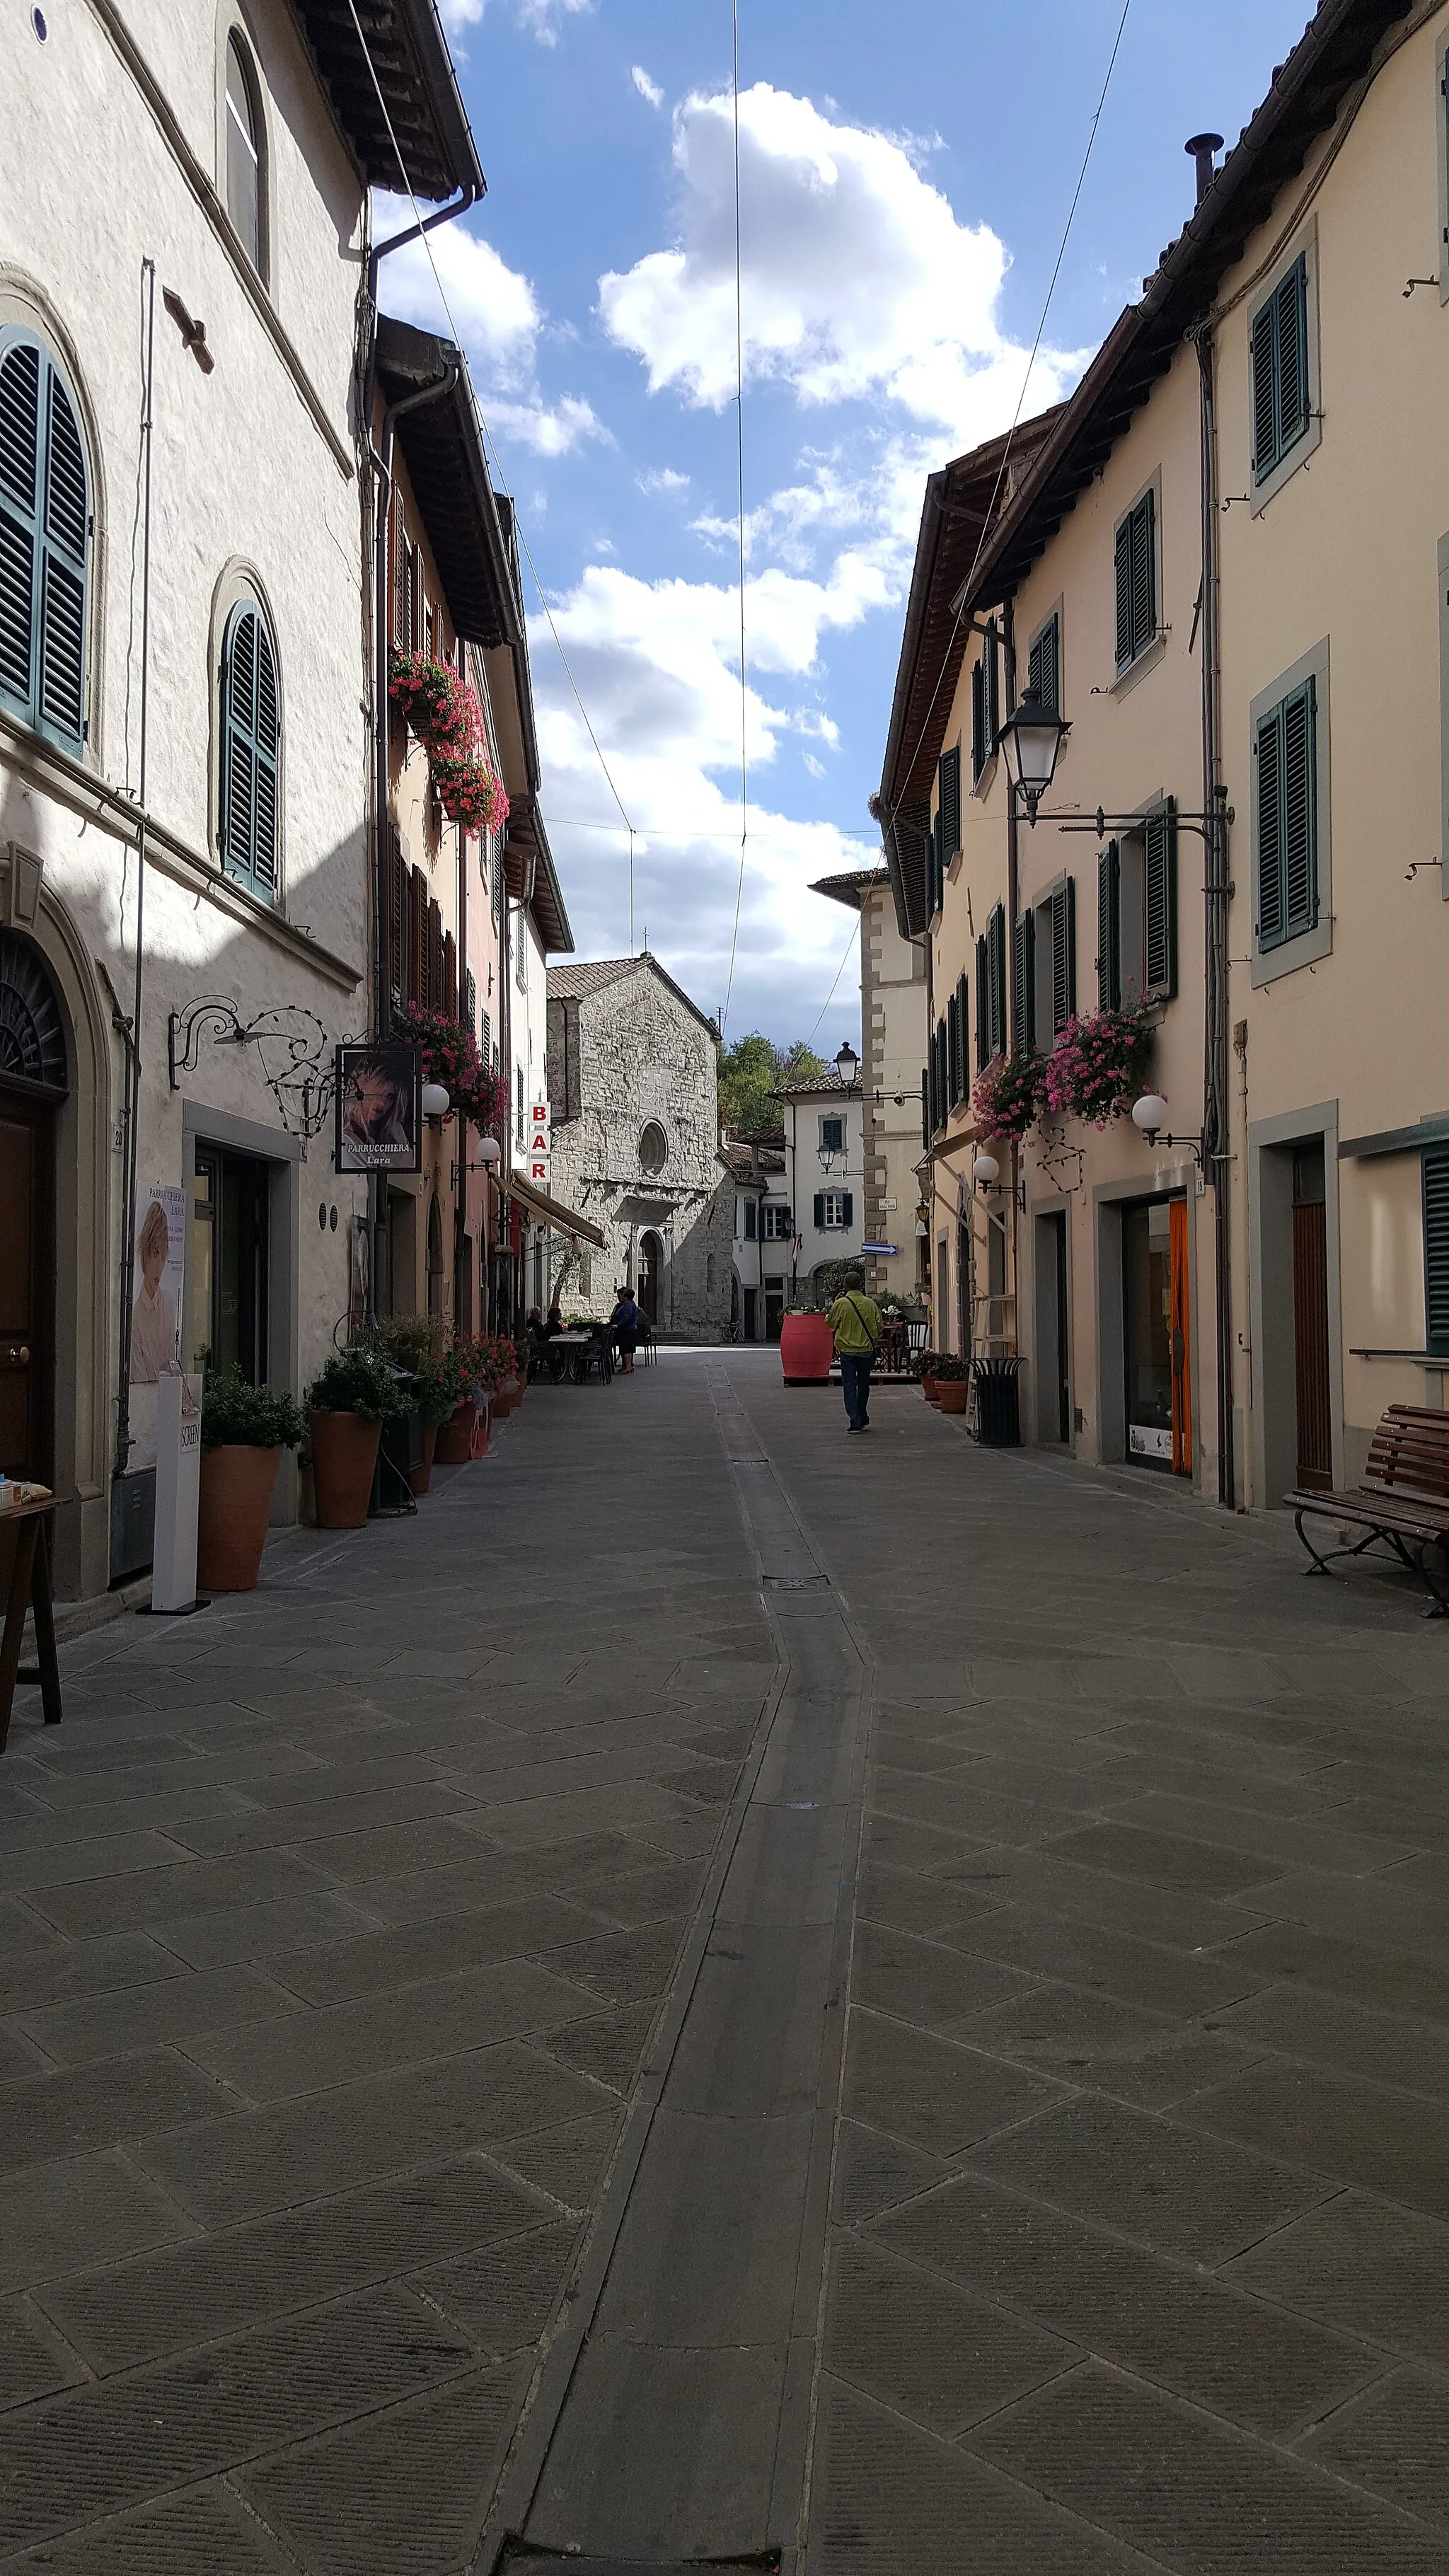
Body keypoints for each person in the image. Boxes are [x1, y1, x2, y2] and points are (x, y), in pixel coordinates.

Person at [131, 1199, 178, 1383]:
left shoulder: (168, 1303)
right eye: (155, 1254)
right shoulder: (135, 1316)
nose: (159, 1266)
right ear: (145, 1253)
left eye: (164, 1255)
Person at [827, 1279, 882, 1433]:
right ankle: (862, 1414)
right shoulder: (870, 1303)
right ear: (860, 1285)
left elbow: (830, 1323)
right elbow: (879, 1325)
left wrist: (836, 1303)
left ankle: (855, 1420)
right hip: (866, 1350)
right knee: (864, 1384)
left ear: (845, 1285)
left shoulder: (841, 1303)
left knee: (850, 1385)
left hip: (847, 1350)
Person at [610, 1283, 641, 1374]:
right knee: (626, 1349)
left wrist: (618, 1325)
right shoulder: (629, 1304)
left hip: (627, 1330)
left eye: (622, 1295)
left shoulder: (628, 1306)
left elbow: (626, 1317)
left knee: (626, 1349)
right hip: (628, 1330)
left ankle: (628, 1367)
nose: (620, 1297)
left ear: (626, 1297)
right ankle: (628, 1366)